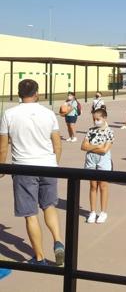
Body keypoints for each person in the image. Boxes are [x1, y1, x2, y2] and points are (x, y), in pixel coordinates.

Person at [0, 79, 65, 265]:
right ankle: (58, 240)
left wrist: (2, 167)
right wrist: (54, 163)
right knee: (49, 206)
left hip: (23, 166)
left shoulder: (9, 114)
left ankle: (39, 257)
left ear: (19, 93)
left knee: (30, 214)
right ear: (36, 93)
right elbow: (57, 143)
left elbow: (3, 146)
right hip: (48, 165)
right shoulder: (48, 113)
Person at [81, 108, 114, 223]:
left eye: (98, 119)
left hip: (103, 161)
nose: (95, 121)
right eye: (94, 119)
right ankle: (92, 211)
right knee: (93, 186)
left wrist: (91, 147)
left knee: (103, 186)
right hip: (91, 161)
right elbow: (83, 147)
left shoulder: (109, 131)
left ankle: (103, 212)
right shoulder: (90, 130)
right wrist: (97, 147)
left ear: (104, 118)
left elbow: (104, 150)